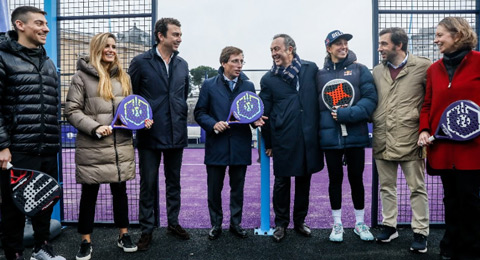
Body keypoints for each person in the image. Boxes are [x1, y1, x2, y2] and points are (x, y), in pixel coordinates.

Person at [65, 32, 153, 260]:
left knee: (120, 192)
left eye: (114, 46)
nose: (111, 49)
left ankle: (123, 235)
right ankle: (85, 241)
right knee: (89, 194)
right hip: (93, 146)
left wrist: (141, 121)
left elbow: (130, 109)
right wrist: (95, 127)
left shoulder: (124, 77)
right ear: (97, 48)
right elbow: (72, 111)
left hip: (120, 146)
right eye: (107, 46)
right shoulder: (80, 78)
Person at [0, 6, 65, 260]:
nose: (45, 28)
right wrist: (2, 145)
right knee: (14, 208)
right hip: (17, 149)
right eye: (39, 23)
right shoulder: (3, 58)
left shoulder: (47, 62)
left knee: (45, 202)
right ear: (20, 24)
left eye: (46, 24)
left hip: (47, 147)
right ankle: (14, 254)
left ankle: (42, 249)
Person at [418, 17, 480, 260]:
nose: (436, 40)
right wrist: (424, 129)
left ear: (457, 34)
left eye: (440, 34)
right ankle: (450, 245)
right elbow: (427, 105)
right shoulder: (433, 69)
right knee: (451, 199)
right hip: (442, 149)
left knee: (470, 199)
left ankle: (473, 248)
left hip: (473, 150)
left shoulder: (479, 62)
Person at [128, 17, 190, 250]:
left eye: (180, 34)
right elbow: (131, 96)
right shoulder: (140, 62)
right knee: (149, 184)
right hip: (149, 135)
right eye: (175, 34)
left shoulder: (183, 64)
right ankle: (146, 230)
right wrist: (140, 119)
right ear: (160, 36)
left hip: (177, 134)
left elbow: (181, 97)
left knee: (174, 183)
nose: (179, 39)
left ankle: (173, 223)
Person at [194, 46, 266, 240]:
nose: (239, 65)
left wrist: (255, 120)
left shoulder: (248, 86)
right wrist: (213, 124)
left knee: (238, 189)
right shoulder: (209, 85)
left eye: (242, 61)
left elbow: (250, 113)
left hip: (240, 145)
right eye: (235, 61)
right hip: (216, 145)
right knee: (214, 189)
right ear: (223, 63)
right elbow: (200, 112)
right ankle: (216, 224)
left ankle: (236, 224)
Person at [259, 34, 324, 242]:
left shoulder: (310, 68)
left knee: (304, 181)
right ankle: (281, 224)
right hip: (283, 138)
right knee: (281, 183)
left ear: (290, 49)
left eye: (276, 48)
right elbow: (264, 113)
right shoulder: (268, 79)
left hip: (308, 136)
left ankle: (299, 222)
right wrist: (268, 142)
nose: (273, 53)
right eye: (271, 50)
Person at [372, 27, 431, 253]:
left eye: (384, 44)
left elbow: (430, 100)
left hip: (410, 139)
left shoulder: (423, 67)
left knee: (417, 187)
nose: (380, 48)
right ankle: (390, 226)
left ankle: (420, 231)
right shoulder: (377, 71)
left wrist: (425, 129)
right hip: (382, 137)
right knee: (386, 187)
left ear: (399, 45)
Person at [317, 30, 377, 242]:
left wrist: (346, 114)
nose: (343, 46)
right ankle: (337, 224)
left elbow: (370, 100)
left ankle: (360, 223)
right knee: (334, 180)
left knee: (356, 179)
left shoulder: (360, 70)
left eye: (345, 43)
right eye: (338, 44)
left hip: (355, 136)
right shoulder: (319, 75)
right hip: (330, 139)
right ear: (328, 48)